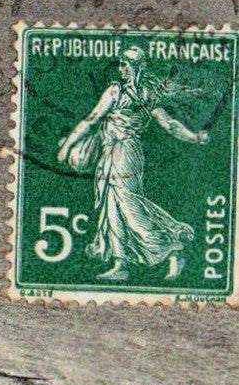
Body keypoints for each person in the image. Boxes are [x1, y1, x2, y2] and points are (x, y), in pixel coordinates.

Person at [56, 45, 210, 281]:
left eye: (126, 64)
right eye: (120, 64)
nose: (121, 68)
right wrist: (68, 144)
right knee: (113, 206)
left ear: (137, 67)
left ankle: (173, 249)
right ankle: (121, 264)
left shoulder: (138, 94)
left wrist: (194, 137)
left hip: (126, 154)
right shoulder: (123, 91)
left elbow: (168, 124)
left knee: (129, 207)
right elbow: (92, 119)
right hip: (112, 152)